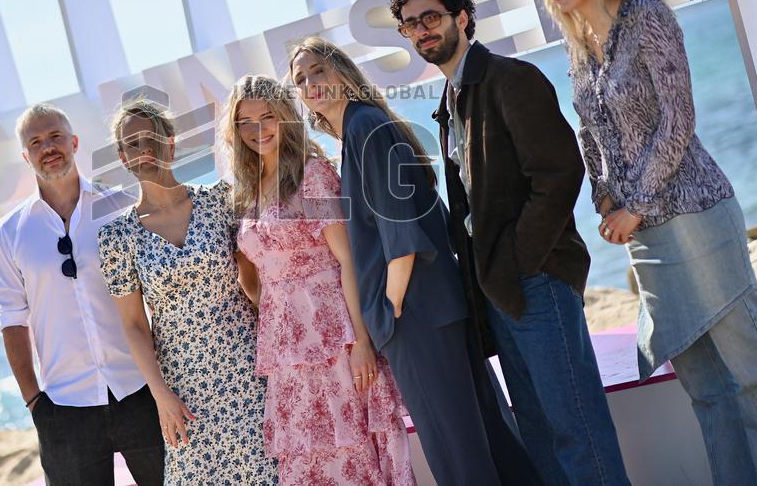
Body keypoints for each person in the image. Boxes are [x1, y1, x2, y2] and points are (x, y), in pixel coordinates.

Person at [529, 0, 757, 485]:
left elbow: (678, 118)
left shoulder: (646, 14)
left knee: (749, 367)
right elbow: (590, 133)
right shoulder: (578, 44)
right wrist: (604, 198)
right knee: (704, 386)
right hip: (644, 234)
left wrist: (632, 203)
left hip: (694, 213)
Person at [391, 0, 631, 485]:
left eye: (431, 17)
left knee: (577, 431)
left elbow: (558, 173)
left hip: (536, 280)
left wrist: (522, 259)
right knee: (540, 435)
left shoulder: (509, 79)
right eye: (410, 24)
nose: (422, 31)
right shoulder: (451, 101)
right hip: (499, 287)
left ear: (461, 18)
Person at [289, 37, 540, 486]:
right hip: (430, 309)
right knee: (486, 438)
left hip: (416, 316)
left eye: (318, 70)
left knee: (457, 454)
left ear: (342, 71)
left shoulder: (366, 129)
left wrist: (389, 308)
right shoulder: (362, 129)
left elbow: (401, 235)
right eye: (300, 80)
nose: (311, 84)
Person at [222, 74, 415, 485]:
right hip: (286, 350)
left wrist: (361, 342)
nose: (258, 129)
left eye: (267, 116)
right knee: (309, 456)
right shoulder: (247, 191)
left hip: (333, 335)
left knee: (353, 447)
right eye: (245, 122)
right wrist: (272, 311)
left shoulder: (313, 174)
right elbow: (254, 274)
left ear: (286, 117)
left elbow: (349, 261)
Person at [96, 96, 278, 485]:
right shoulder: (116, 237)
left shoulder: (220, 200)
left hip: (247, 366)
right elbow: (133, 325)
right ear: (122, 157)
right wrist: (160, 395)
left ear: (171, 142)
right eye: (132, 144)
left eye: (152, 138)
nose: (144, 149)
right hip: (183, 389)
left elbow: (254, 280)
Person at [0, 103, 164, 485]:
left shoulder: (120, 207)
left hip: (139, 388)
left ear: (74, 142)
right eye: (36, 142)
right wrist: (34, 402)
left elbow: (157, 291)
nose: (47, 147)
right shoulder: (9, 233)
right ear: (26, 156)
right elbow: (12, 320)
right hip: (64, 407)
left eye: (55, 136)